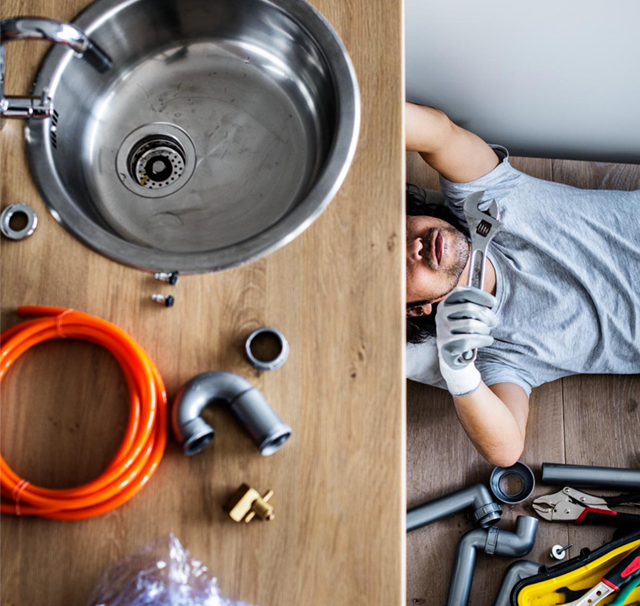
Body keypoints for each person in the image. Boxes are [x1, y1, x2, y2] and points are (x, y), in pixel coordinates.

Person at [405, 101, 640, 466]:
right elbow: (507, 449)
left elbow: (438, 134)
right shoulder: (498, 351)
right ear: (418, 308)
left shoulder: (486, 195)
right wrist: (459, 371)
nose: (414, 247)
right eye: (398, 269)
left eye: (395, 233)